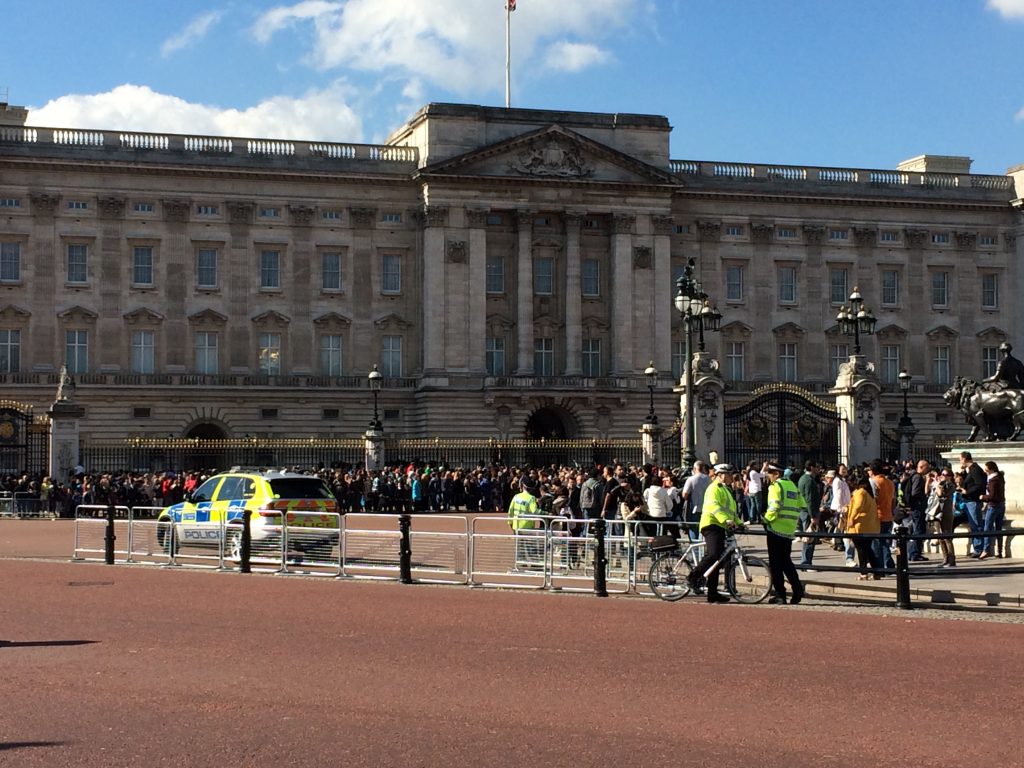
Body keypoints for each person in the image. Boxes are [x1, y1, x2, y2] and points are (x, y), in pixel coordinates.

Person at [688, 463, 742, 604]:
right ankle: (693, 576)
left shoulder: (725, 490)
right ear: (721, 475)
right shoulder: (713, 488)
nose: (731, 477)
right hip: (711, 524)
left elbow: (730, 510)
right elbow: (714, 507)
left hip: (720, 525)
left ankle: (712, 593)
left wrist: (739, 522)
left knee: (718, 561)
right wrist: (727, 520)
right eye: (729, 474)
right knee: (713, 555)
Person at [762, 463, 805, 605]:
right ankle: (797, 588)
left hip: (776, 528)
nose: (768, 476)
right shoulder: (792, 486)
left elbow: (774, 506)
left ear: (777, 474)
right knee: (786, 562)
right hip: (789, 530)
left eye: (770, 473)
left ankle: (780, 594)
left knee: (775, 564)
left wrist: (766, 519)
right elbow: (802, 505)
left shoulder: (776, 486)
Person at [846, 474, 881, 580]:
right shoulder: (869, 494)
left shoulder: (860, 492)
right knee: (868, 549)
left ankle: (863, 573)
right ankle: (876, 571)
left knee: (861, 550)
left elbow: (858, 506)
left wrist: (851, 519)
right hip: (869, 526)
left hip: (859, 526)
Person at [866, 461, 896, 571]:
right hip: (888, 515)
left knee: (876, 543)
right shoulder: (889, 482)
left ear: (873, 471)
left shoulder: (873, 482)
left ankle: (879, 567)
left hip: (876, 516)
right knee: (885, 542)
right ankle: (889, 564)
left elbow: (872, 499)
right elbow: (893, 500)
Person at [958, 451, 987, 558]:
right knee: (972, 524)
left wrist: (967, 492)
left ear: (965, 459)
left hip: (973, 501)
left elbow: (979, 484)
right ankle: (977, 547)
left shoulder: (975, 469)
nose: (960, 461)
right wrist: (963, 473)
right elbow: (970, 482)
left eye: (960, 459)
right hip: (968, 501)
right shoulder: (971, 469)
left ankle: (978, 548)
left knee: (976, 525)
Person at [507, 478, 541, 569]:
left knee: (519, 545)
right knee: (530, 545)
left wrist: (510, 522)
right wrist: (543, 511)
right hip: (527, 526)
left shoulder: (516, 496)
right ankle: (534, 562)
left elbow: (511, 511)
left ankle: (521, 561)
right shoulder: (531, 498)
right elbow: (534, 511)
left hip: (516, 525)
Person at [928, 467, 956, 568]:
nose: (942, 476)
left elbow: (941, 495)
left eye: (944, 475)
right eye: (941, 474)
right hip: (937, 512)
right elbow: (928, 492)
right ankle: (945, 558)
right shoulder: (939, 484)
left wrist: (938, 485)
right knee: (939, 536)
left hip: (945, 512)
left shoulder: (950, 485)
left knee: (946, 535)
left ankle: (951, 559)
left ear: (949, 477)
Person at [797, 461, 822, 568]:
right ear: (811, 467)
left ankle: (806, 562)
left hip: (804, 511)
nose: (819, 469)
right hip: (808, 512)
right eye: (817, 467)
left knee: (808, 537)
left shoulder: (804, 478)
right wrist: (813, 516)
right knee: (809, 538)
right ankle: (806, 563)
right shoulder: (808, 481)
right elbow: (809, 500)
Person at [980, 460, 1006, 559]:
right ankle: (999, 550)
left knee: (987, 528)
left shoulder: (993, 481)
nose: (985, 471)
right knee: (998, 528)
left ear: (991, 469)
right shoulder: (1000, 477)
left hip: (993, 506)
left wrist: (983, 497)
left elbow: (992, 496)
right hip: (1001, 505)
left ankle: (986, 550)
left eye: (986, 469)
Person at [681, 461, 711, 540]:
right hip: (707, 508)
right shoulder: (708, 479)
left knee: (693, 529)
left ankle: (696, 550)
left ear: (695, 469)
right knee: (705, 528)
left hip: (694, 508)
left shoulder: (691, 479)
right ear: (703, 468)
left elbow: (684, 495)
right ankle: (703, 548)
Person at [906, 459, 930, 562]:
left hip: (916, 507)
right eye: (927, 467)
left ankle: (914, 553)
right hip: (918, 508)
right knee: (918, 530)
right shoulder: (918, 477)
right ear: (922, 467)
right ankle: (915, 553)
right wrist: (923, 497)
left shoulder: (913, 476)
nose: (928, 469)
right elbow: (915, 492)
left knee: (918, 529)